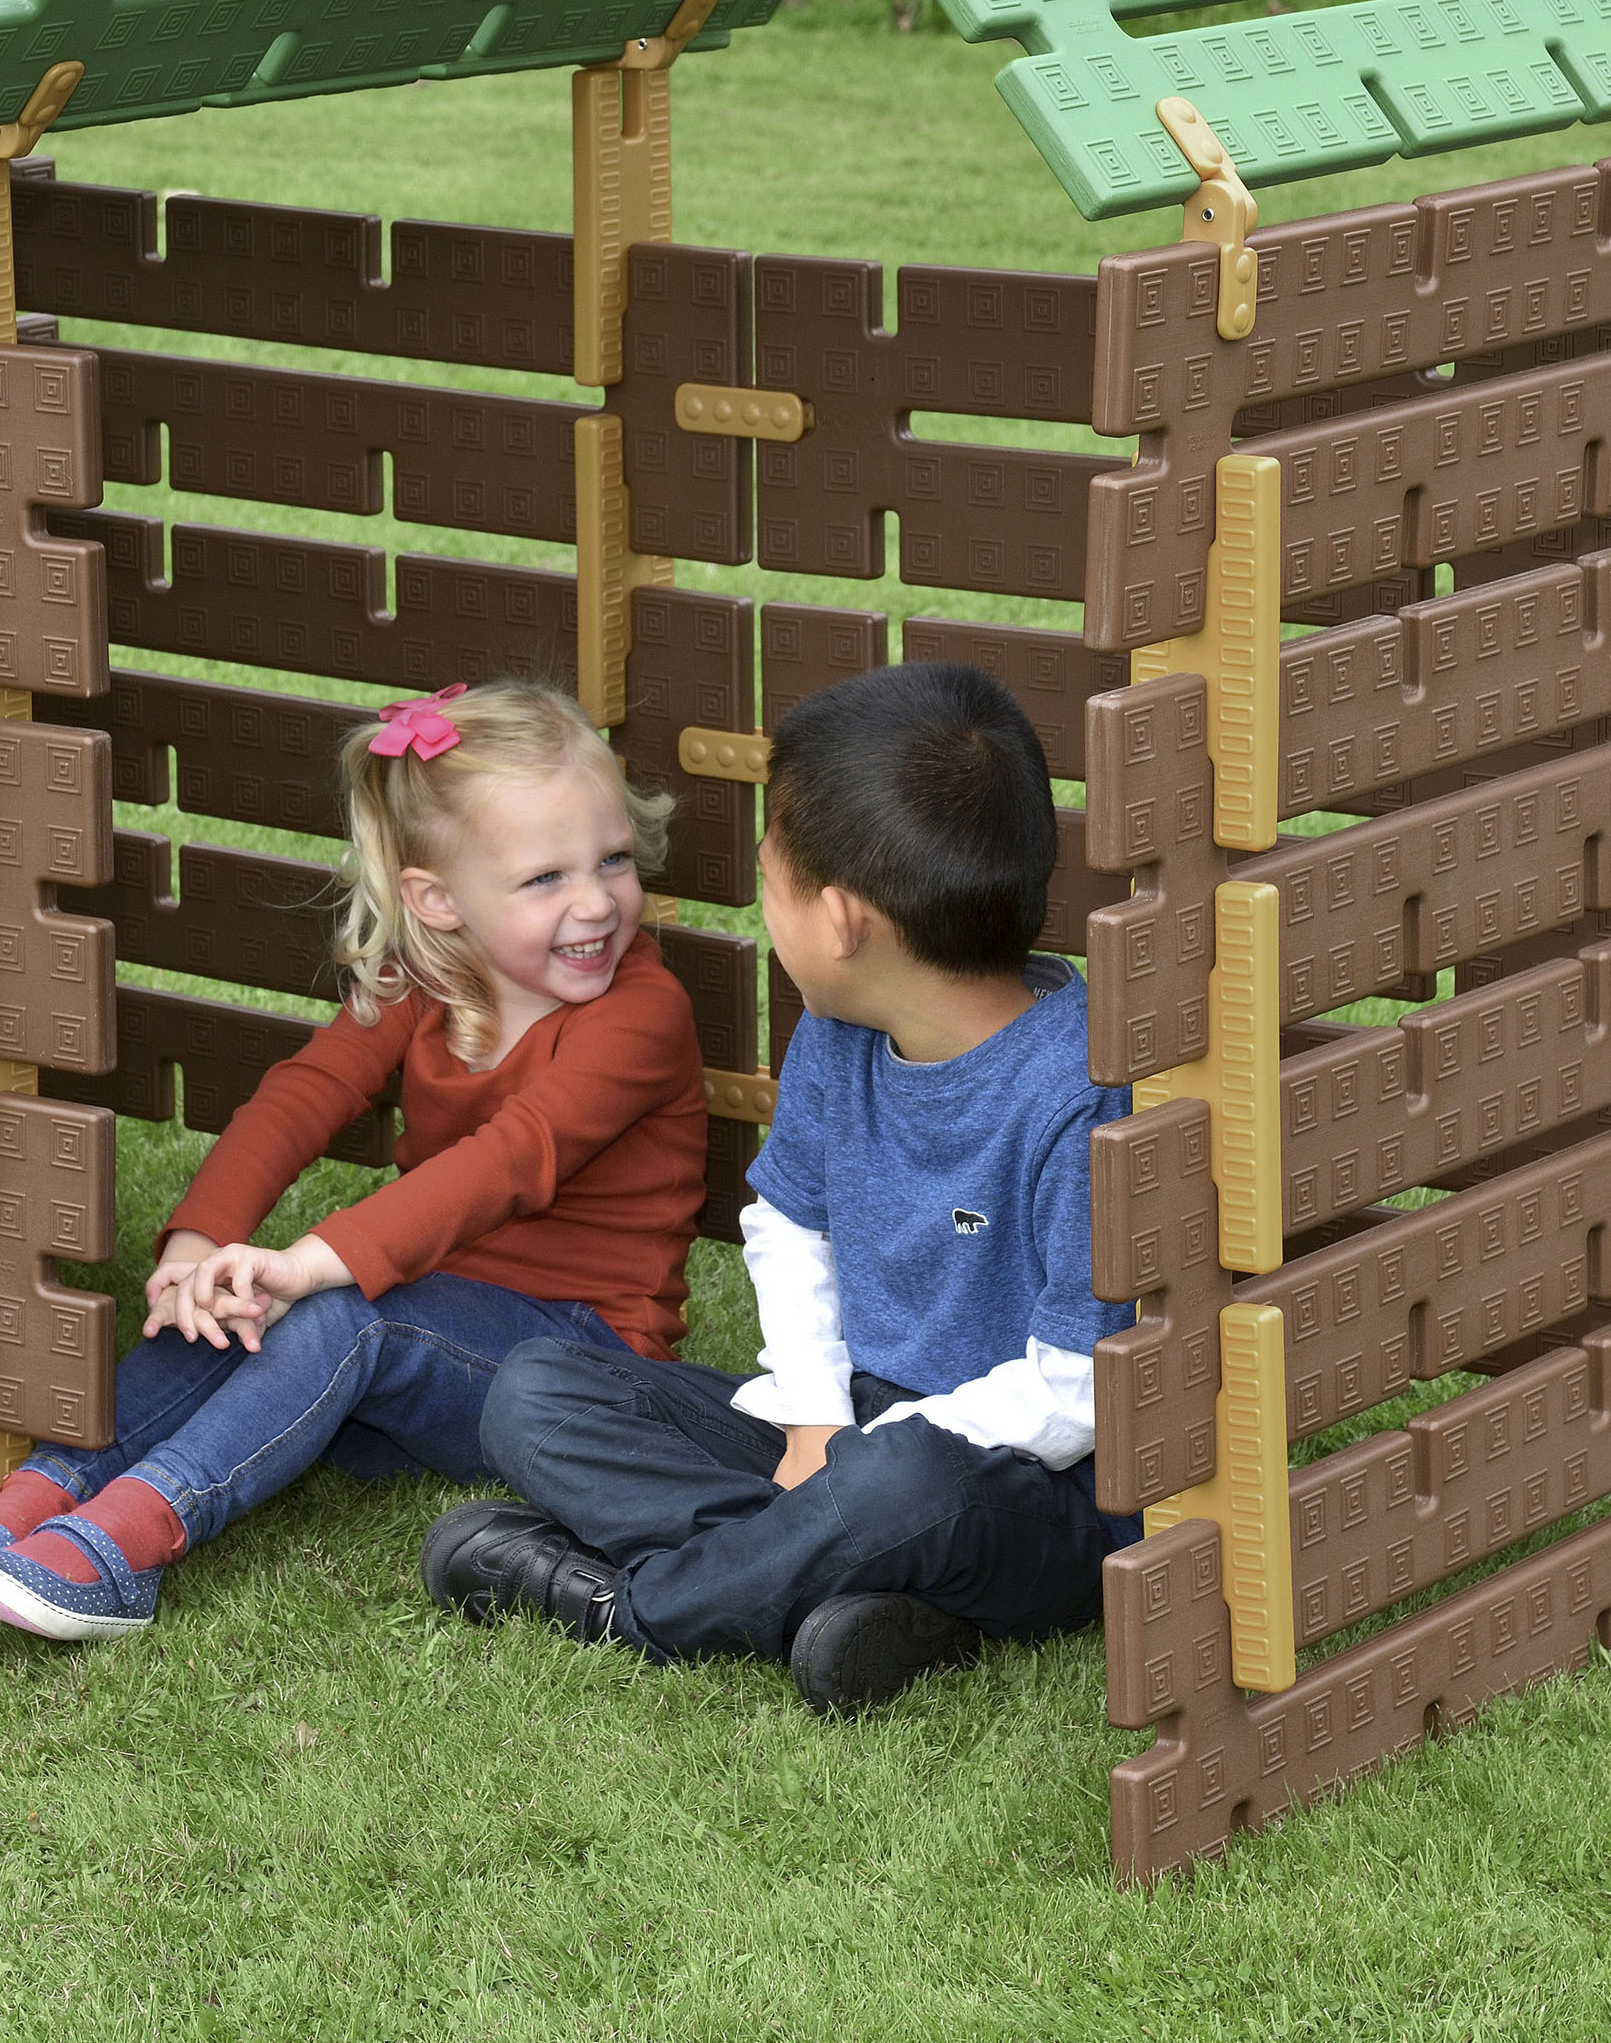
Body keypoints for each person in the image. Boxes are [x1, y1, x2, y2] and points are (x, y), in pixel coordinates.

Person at [0, 677, 706, 1644]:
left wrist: (308, 1264)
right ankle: (18, 1516)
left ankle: (126, 1546)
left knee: (337, 1310)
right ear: (439, 901)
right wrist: (199, 1246)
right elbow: (306, 1095)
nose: (595, 902)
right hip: (425, 1331)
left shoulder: (641, 1014)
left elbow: (508, 1163)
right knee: (237, 1303)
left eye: (614, 860)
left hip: (573, 1368)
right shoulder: (429, 978)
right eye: (546, 879)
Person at [421, 658, 1137, 1714]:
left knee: (903, 1493)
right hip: (848, 1425)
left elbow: (1076, 1391)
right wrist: (810, 1426)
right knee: (537, 1391)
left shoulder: (1080, 1096)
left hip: (1021, 1485)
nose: (762, 909)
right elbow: (790, 1223)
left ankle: (640, 1610)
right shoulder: (837, 1035)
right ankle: (840, 1593)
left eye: (768, 880)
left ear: (841, 922)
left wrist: (860, 1464)